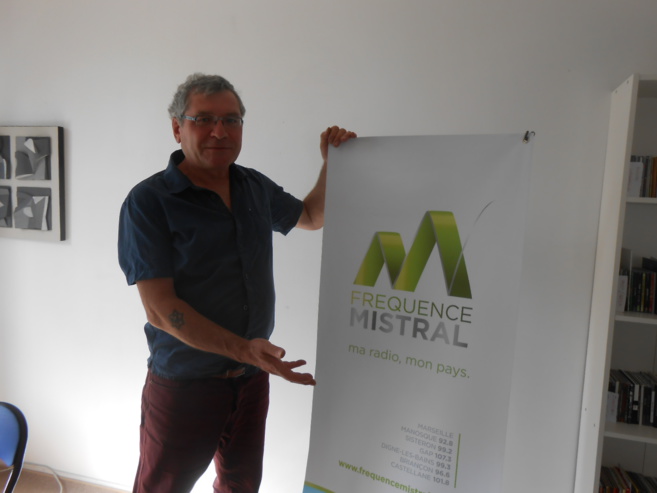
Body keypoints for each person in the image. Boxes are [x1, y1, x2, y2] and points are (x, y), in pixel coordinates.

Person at [117, 73, 356, 493]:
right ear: (177, 128)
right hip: (186, 385)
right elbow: (160, 309)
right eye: (203, 119)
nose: (219, 131)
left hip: (251, 379)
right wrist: (245, 349)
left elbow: (311, 216)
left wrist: (332, 164)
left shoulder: (253, 186)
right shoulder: (149, 202)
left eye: (231, 120)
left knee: (240, 486)